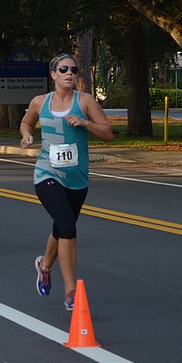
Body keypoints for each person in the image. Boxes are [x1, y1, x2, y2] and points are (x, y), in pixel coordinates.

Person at [19, 54, 113, 312]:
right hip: (47, 174)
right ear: (53, 74)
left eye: (73, 69)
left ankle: (44, 266)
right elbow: (26, 121)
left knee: (61, 228)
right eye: (63, 69)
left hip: (77, 179)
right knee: (68, 226)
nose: (69, 73)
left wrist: (85, 122)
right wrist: (26, 134)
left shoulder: (85, 101)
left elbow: (108, 133)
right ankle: (71, 291)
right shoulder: (40, 102)